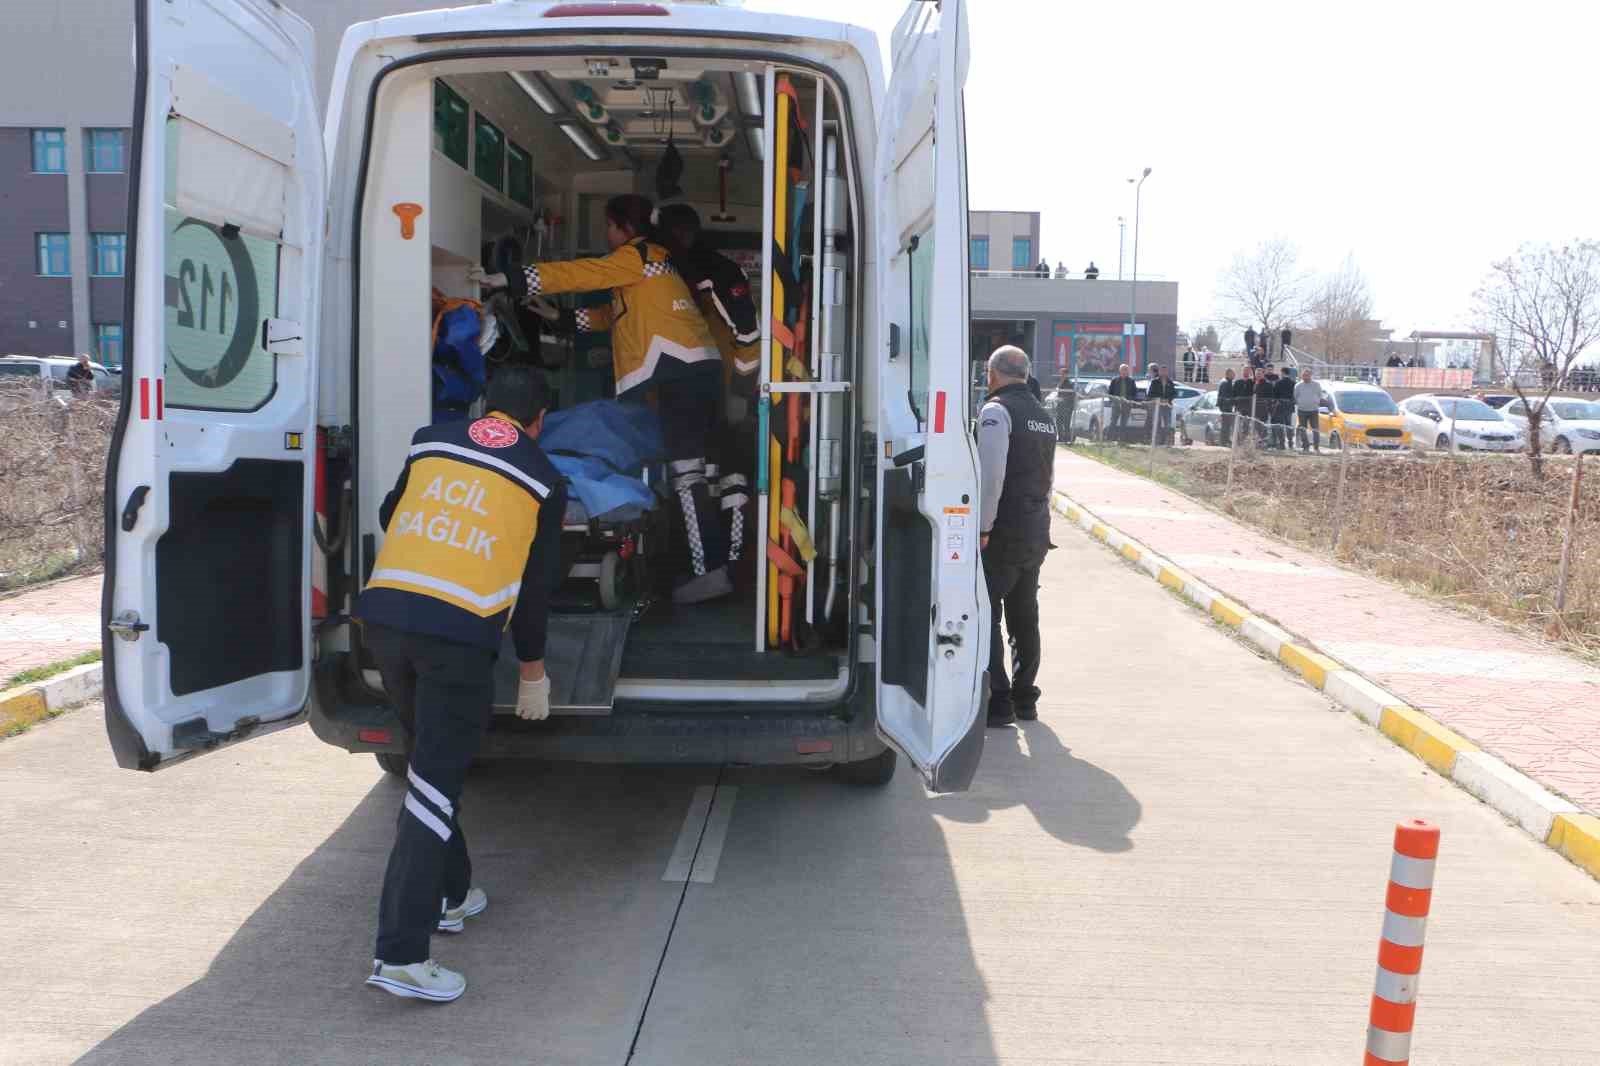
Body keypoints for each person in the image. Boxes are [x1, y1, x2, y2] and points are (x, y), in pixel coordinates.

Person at [356, 366, 565, 1004]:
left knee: (427, 770)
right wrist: (533, 670)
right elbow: (533, 592)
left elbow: (395, 511)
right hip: (458, 639)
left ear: (484, 407)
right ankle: (401, 955)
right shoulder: (543, 480)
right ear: (539, 424)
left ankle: (453, 895)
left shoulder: (431, 439)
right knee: (432, 791)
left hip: (387, 620)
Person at [471, 194, 731, 604]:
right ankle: (704, 567)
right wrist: (558, 318)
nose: (607, 236)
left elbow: (585, 273)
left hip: (679, 371)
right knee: (689, 472)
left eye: (609, 227)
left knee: (687, 474)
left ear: (623, 228)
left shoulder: (637, 255)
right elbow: (614, 316)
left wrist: (511, 279)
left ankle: (708, 572)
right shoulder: (653, 263)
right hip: (691, 371)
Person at [655, 204, 758, 572]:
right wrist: (742, 389)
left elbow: (747, 332)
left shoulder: (685, 272)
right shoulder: (709, 269)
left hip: (703, 388)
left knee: (696, 475)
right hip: (718, 385)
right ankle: (731, 560)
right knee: (725, 472)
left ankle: (709, 566)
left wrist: (741, 389)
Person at [976, 346, 1056, 727]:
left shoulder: (996, 412)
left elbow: (991, 476)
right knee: (1025, 616)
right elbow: (1048, 476)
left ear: (992, 374)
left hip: (1003, 532)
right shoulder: (1045, 416)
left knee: (986, 614)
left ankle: (999, 701)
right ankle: (1027, 699)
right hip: (1036, 530)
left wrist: (983, 527)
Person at [1146, 362, 1177, 444]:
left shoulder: (1170, 382)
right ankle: (1157, 441)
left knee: (1167, 424)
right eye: (1162, 371)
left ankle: (1167, 442)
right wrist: (1158, 399)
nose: (1163, 373)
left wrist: (1168, 399)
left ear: (1167, 372)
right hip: (1157, 406)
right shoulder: (1154, 382)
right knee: (1157, 423)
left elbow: (1174, 393)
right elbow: (1150, 394)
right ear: (1159, 372)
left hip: (1167, 406)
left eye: (1165, 371)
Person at [1107, 362, 1137, 444]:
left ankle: (1121, 440)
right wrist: (1113, 401)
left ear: (1128, 371)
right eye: (1123, 370)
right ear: (1119, 371)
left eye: (1126, 370)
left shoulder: (1131, 381)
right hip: (1116, 405)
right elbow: (1110, 393)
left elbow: (1134, 393)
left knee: (1123, 423)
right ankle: (1109, 439)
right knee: (1113, 422)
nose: (1124, 371)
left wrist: (1130, 401)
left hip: (1126, 405)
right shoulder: (1115, 380)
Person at [1294, 368, 1322, 453]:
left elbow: (1319, 395)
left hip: (1313, 410)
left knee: (1315, 429)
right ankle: (1305, 446)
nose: (1305, 377)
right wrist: (1300, 402)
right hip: (1302, 410)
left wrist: (1316, 402)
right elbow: (1295, 396)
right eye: (1303, 375)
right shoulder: (1298, 385)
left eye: (1307, 375)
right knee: (1302, 429)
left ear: (1310, 375)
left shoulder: (1316, 385)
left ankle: (1316, 447)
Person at [1272, 365, 1296, 449]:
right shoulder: (1293, 383)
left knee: (1281, 425)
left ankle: (1282, 443)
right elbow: (1295, 396)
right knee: (1288, 425)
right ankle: (1290, 443)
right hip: (1289, 406)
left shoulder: (1278, 383)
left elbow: (1275, 395)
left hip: (1281, 405)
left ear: (1282, 373)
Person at [1217, 368, 1237, 445]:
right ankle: (1224, 440)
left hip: (1226, 406)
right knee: (1226, 424)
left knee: (1227, 424)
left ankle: (1225, 440)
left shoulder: (1226, 382)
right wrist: (1232, 401)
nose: (1234, 375)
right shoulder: (1226, 382)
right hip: (1226, 406)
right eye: (1233, 374)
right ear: (1228, 374)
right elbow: (1226, 396)